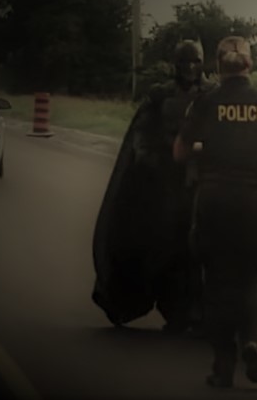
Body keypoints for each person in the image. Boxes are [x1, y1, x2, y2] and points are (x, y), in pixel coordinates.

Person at [173, 35, 257, 388]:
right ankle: (251, 340)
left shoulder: (204, 102)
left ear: (218, 66)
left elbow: (179, 154)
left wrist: (205, 144)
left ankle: (222, 367)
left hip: (214, 202)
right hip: (256, 206)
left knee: (217, 282)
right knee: (253, 277)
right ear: (250, 64)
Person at [92, 39, 215, 332]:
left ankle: (194, 312)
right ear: (175, 64)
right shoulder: (160, 95)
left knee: (198, 249)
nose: (190, 68)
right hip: (164, 183)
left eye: (195, 61)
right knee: (164, 247)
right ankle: (168, 306)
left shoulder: (213, 94)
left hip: (200, 181)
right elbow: (141, 134)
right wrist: (153, 159)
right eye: (184, 62)